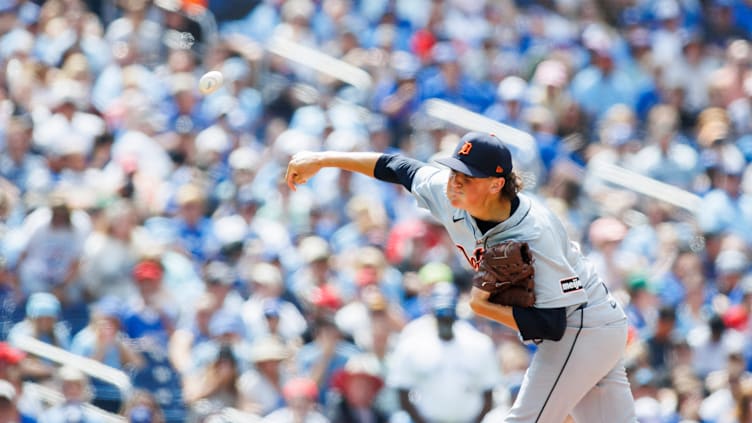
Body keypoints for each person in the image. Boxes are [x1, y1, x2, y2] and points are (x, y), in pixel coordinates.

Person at [285, 131, 636, 422]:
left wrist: (484, 306)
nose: (454, 182)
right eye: (453, 172)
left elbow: (552, 325)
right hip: (587, 329)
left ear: (497, 183)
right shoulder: (451, 193)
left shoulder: (532, 233)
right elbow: (396, 166)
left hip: (583, 327)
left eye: (466, 178)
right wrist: (323, 158)